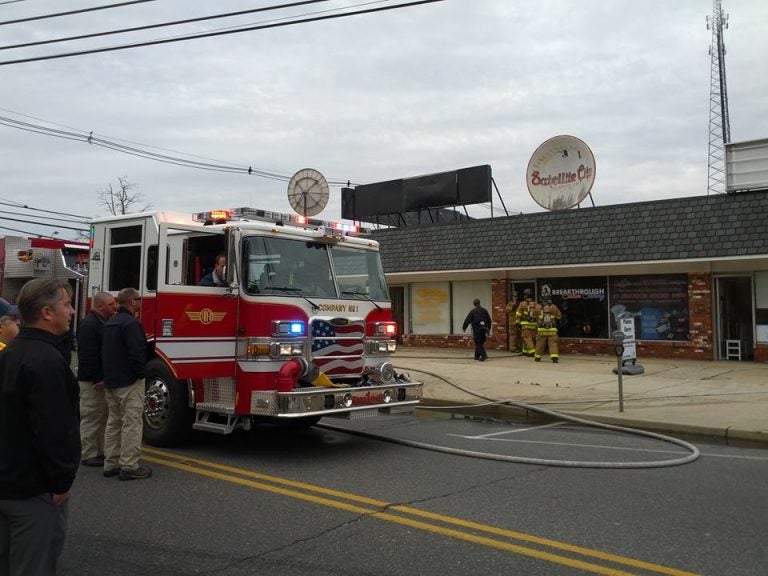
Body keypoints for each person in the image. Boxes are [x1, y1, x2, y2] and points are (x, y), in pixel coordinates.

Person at [0, 278, 80, 576]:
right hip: (34, 493)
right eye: (67, 304)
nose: (71, 311)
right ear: (47, 312)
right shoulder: (47, 361)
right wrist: (60, 483)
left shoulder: (8, 355)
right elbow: (54, 430)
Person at [102, 288, 151, 481]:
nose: (141, 301)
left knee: (113, 422)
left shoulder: (110, 323)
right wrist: (141, 374)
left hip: (112, 380)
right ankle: (129, 465)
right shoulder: (131, 324)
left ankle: (110, 463)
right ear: (132, 302)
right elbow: (136, 352)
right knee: (132, 422)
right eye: (139, 299)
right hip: (129, 381)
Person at [77, 291, 118, 467]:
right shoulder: (89, 325)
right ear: (100, 306)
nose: (115, 306)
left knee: (103, 416)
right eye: (110, 304)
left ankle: (100, 451)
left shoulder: (104, 322)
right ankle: (88, 453)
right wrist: (97, 378)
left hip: (102, 379)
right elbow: (88, 355)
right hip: (91, 381)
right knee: (92, 415)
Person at [534, 295, 562, 363]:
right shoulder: (554, 307)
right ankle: (554, 358)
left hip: (541, 330)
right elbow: (559, 317)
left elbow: (534, 316)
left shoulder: (538, 307)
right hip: (552, 330)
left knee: (540, 344)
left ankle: (537, 357)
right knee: (553, 344)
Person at [515, 289, 538, 357]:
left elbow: (518, 314)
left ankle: (531, 352)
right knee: (529, 338)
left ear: (525, 295)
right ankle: (525, 351)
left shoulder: (522, 304)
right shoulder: (535, 304)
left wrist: (517, 322)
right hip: (533, 324)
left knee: (527, 338)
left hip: (525, 325)